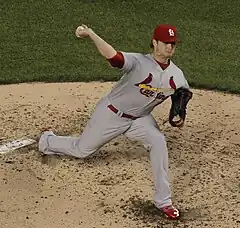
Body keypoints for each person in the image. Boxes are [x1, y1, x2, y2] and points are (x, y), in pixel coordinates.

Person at [39, 23, 191, 220]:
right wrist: (91, 34)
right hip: (111, 114)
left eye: (173, 43)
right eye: (166, 43)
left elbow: (184, 94)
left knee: (158, 141)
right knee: (82, 150)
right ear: (154, 43)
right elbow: (114, 57)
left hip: (140, 119)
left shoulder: (177, 75)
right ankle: (47, 140)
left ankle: (164, 201)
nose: (170, 47)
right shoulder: (138, 62)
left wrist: (180, 111)